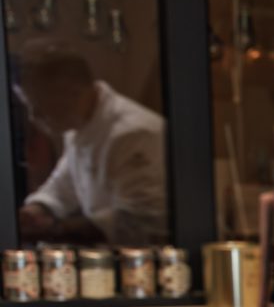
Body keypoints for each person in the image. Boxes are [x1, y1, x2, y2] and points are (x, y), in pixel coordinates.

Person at [11, 41, 168, 246]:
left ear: (72, 92)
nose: (34, 116)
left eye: (38, 105)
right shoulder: (78, 125)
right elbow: (63, 186)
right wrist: (36, 210)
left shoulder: (134, 134)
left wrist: (54, 231)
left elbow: (139, 220)